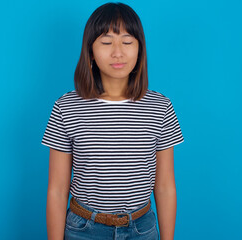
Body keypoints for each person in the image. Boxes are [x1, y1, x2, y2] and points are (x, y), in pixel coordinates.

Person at [41, 2, 184, 239]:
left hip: (142, 228)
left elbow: (166, 186)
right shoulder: (66, 107)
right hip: (83, 229)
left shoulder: (160, 107)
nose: (118, 52)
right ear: (91, 51)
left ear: (139, 49)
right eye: (106, 42)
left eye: (127, 42)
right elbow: (57, 190)